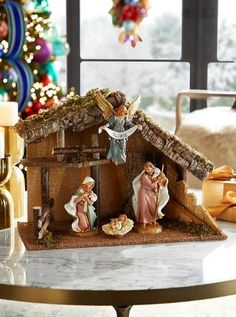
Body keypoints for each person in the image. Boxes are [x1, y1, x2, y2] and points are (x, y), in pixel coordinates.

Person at [132, 162, 169, 228]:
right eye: (146, 169)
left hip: (152, 194)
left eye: (149, 169)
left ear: (152, 168)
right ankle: (144, 222)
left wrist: (161, 181)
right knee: (144, 207)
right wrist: (157, 182)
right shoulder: (144, 177)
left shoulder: (154, 175)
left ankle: (151, 220)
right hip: (144, 193)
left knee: (154, 206)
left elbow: (161, 182)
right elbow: (151, 185)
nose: (147, 171)